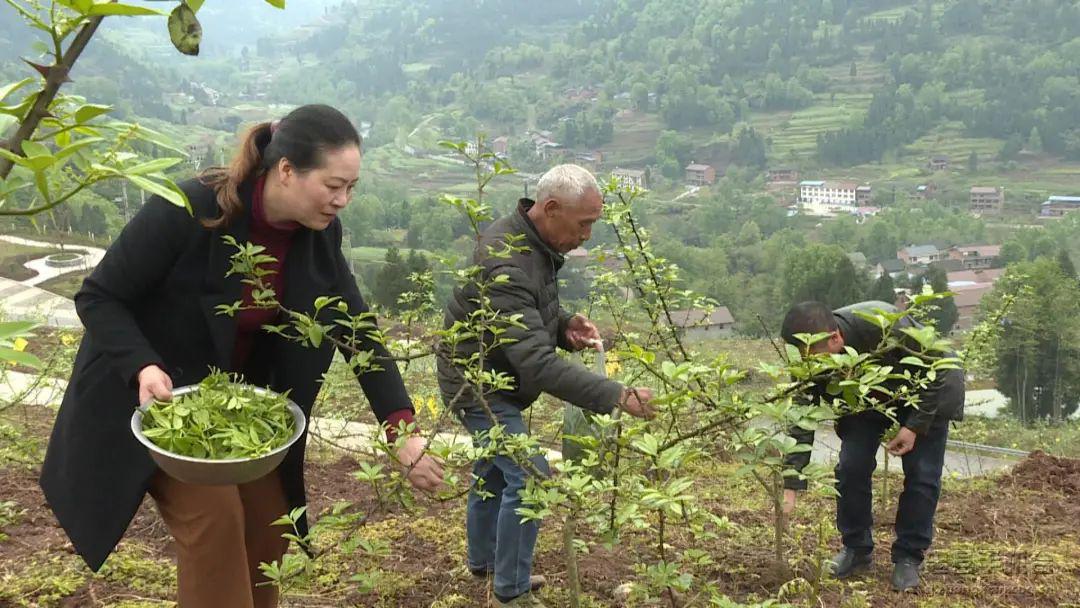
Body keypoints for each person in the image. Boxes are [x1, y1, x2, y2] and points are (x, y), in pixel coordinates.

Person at [39, 104, 444, 608]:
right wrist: (143, 365)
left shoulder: (317, 235)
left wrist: (401, 429)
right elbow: (99, 296)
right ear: (287, 170)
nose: (343, 201)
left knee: (271, 524)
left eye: (351, 188)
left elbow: (356, 329)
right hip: (156, 401)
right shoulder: (189, 207)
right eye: (333, 185)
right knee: (215, 521)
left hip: (231, 410)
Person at [437, 164, 656, 607]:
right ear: (551, 208)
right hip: (476, 384)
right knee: (530, 472)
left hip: (494, 374)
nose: (586, 236)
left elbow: (521, 316)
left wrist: (562, 326)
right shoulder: (505, 256)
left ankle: (486, 562)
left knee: (495, 467)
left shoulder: (531, 242)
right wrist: (615, 395)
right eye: (584, 224)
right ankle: (510, 592)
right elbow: (536, 364)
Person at [779, 300, 964, 592]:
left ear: (835, 338)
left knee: (922, 473)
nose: (811, 368)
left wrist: (914, 426)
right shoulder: (807, 358)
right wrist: (791, 483)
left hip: (928, 389)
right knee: (851, 466)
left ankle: (908, 556)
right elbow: (802, 418)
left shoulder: (883, 323)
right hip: (865, 397)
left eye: (816, 360)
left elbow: (937, 367)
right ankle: (856, 548)